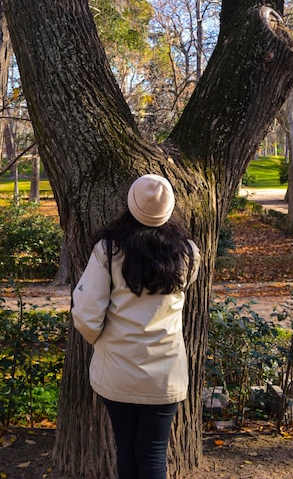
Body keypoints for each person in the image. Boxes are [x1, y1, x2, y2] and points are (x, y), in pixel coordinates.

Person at [72, 173, 200, 479]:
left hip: (118, 370)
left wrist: (106, 344)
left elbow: (87, 314)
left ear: (131, 204)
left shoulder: (109, 250)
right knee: (154, 454)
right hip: (165, 374)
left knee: (126, 449)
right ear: (169, 210)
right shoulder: (189, 253)